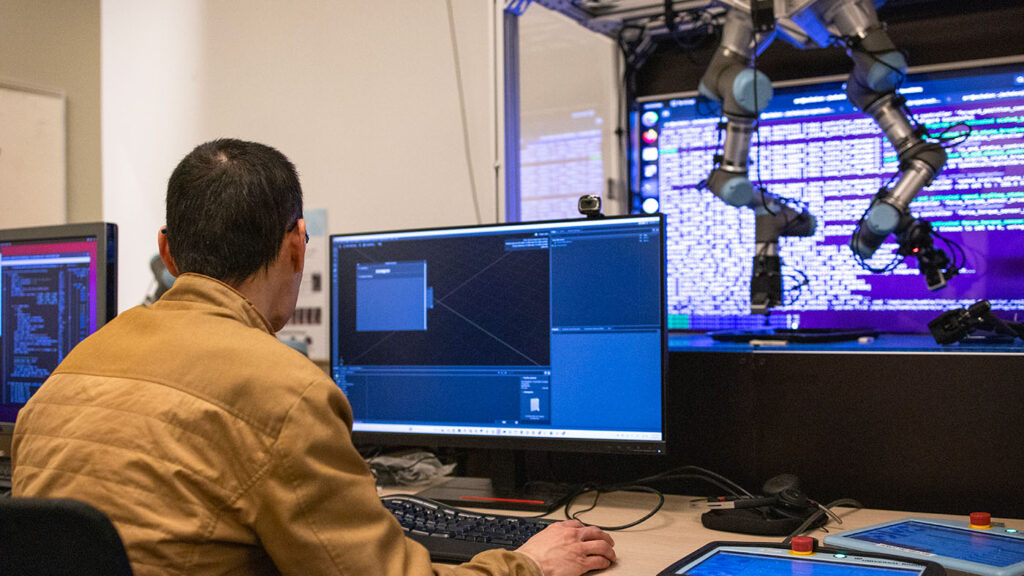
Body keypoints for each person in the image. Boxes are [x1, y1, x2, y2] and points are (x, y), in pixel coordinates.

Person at [11, 139, 616, 576]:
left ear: (167, 252)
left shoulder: (70, 371)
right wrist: (527, 564)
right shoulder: (285, 390)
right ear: (297, 246)